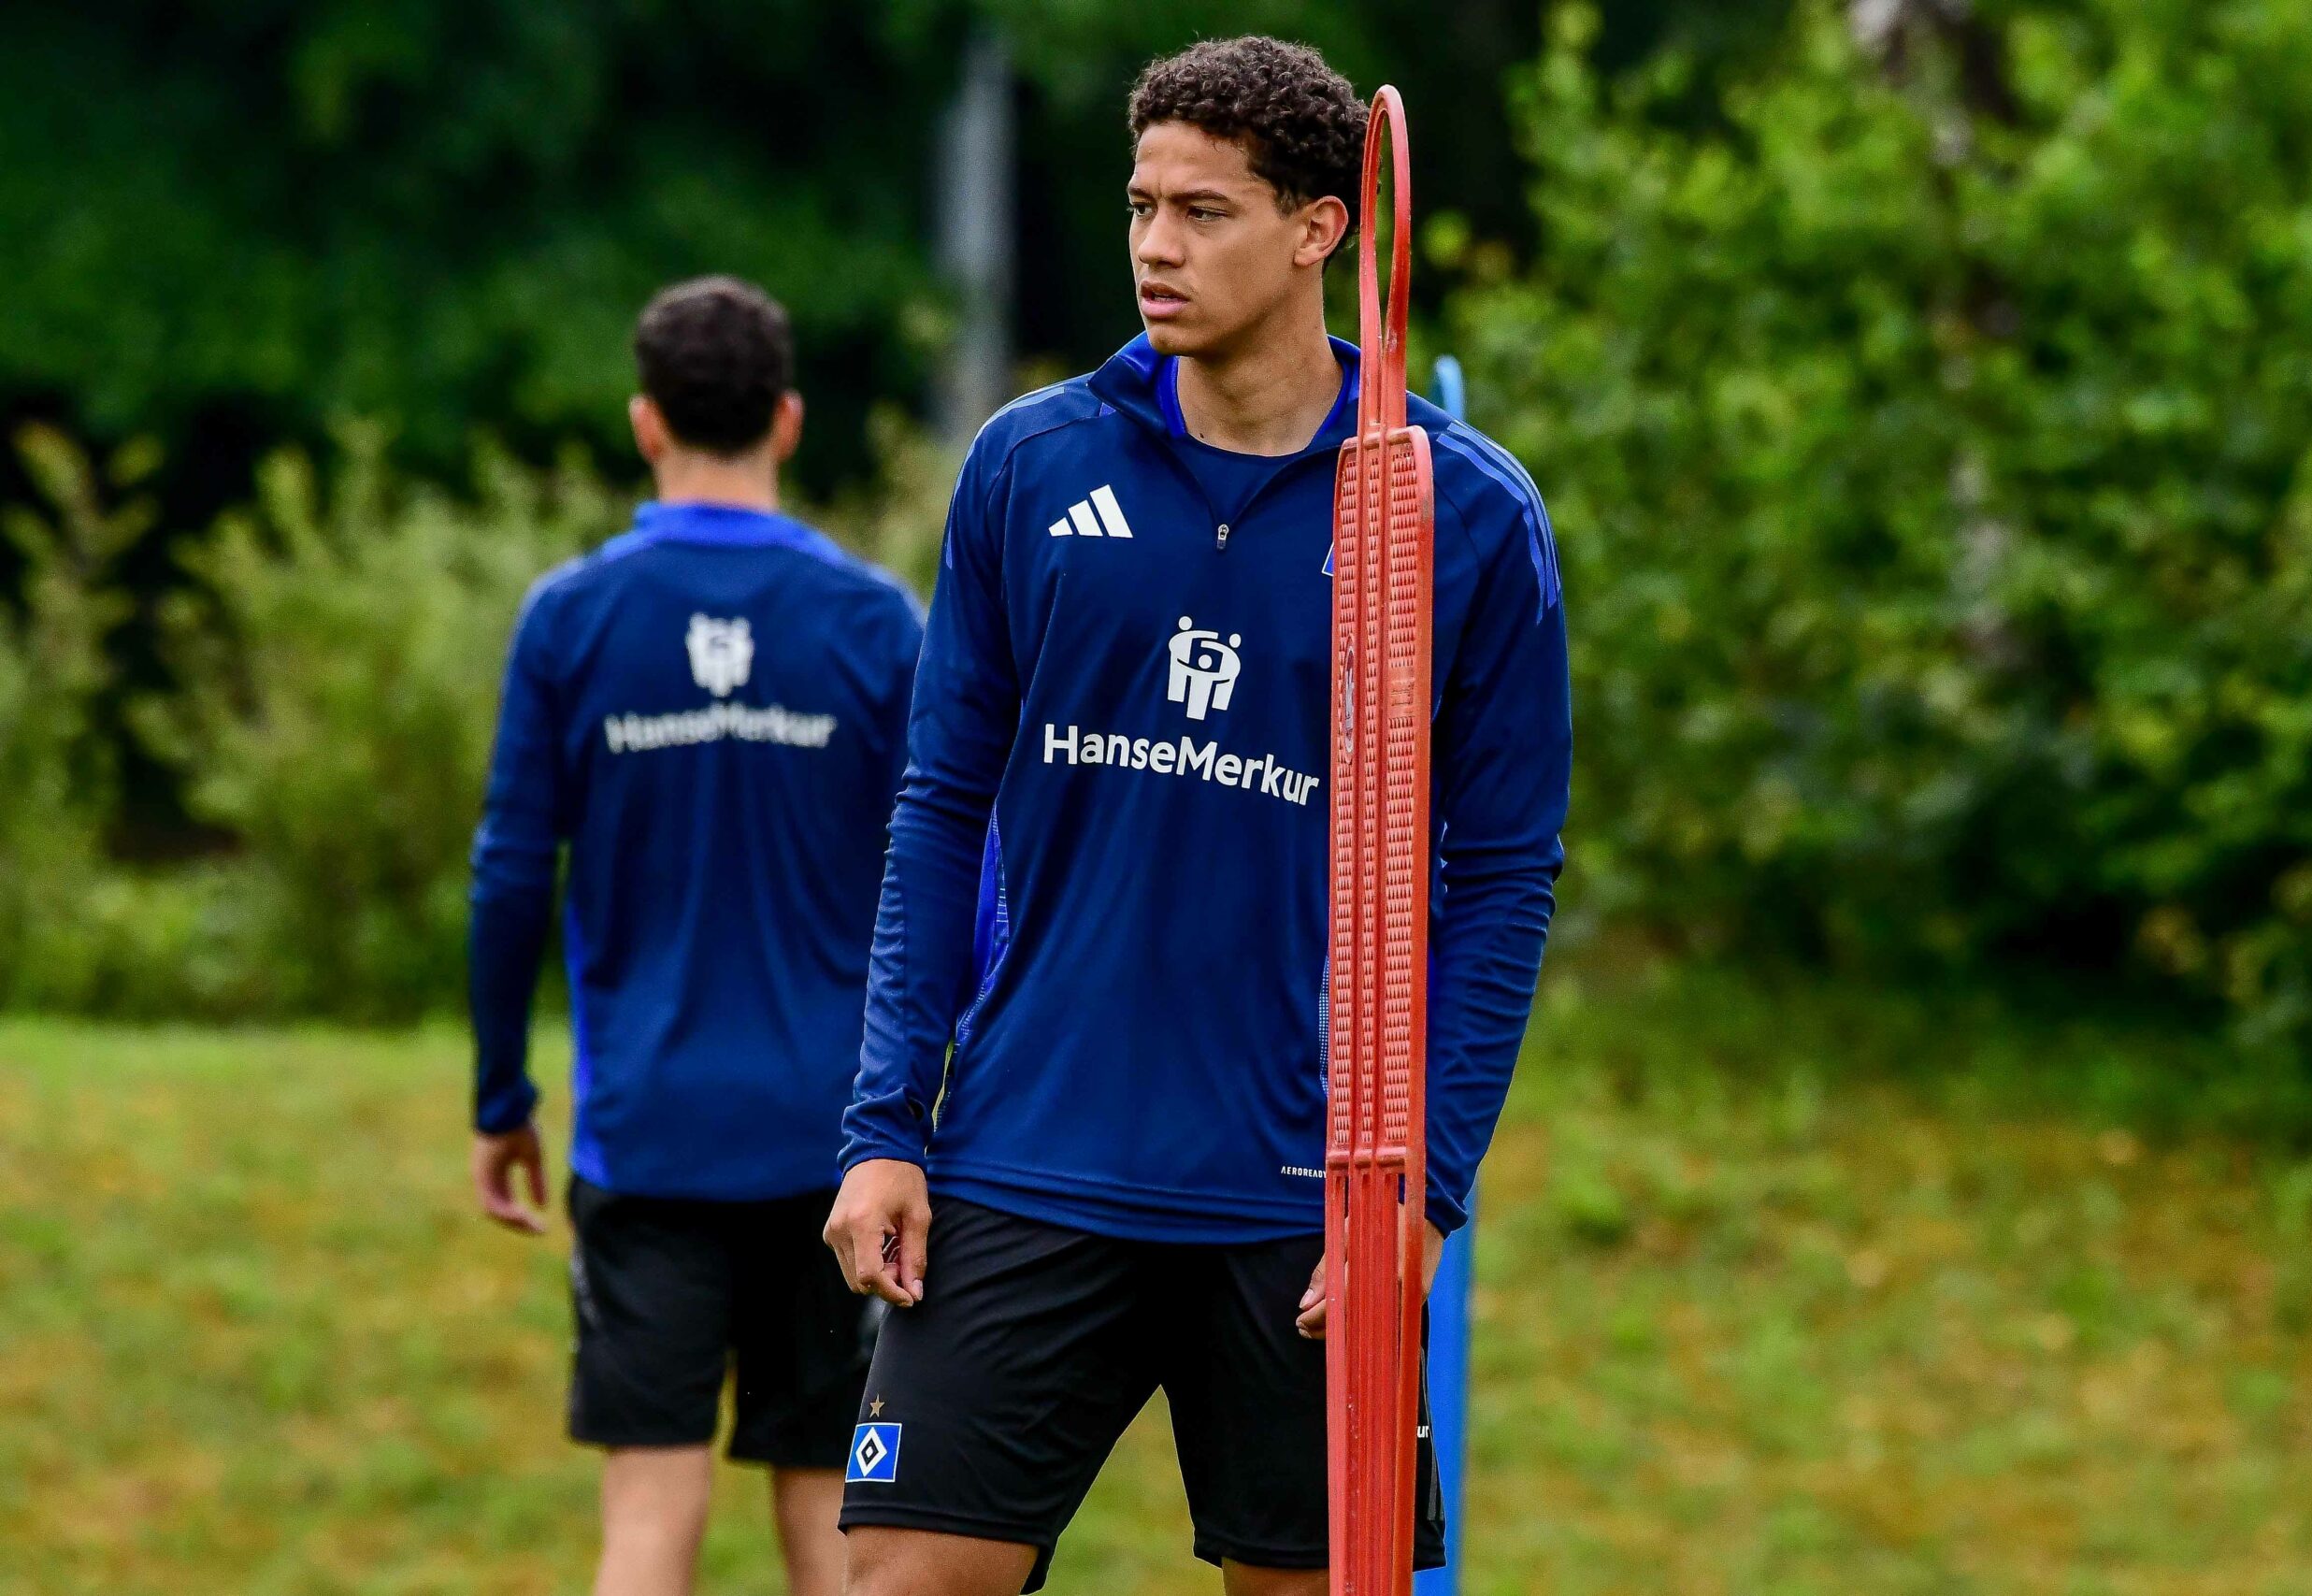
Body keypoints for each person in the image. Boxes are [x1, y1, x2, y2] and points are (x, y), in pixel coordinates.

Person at [822, 36, 1570, 1596]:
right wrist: (890, 1124)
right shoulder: (1030, 466)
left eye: (1207, 212)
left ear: (1321, 229)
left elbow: (1500, 880)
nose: (1158, 247)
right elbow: (940, 805)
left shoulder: (1462, 512)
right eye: (1141, 206)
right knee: (897, 1583)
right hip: (1029, 1157)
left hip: (1311, 1200)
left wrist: (1424, 1190)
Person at [467, 276, 924, 1596]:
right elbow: (956, 866)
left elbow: (508, 876)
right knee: (839, 1535)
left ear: (643, 422)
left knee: (645, 1531)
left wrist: (504, 1098)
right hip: (838, 1151)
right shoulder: (873, 622)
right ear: (787, 422)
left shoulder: (571, 617)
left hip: (648, 1134)